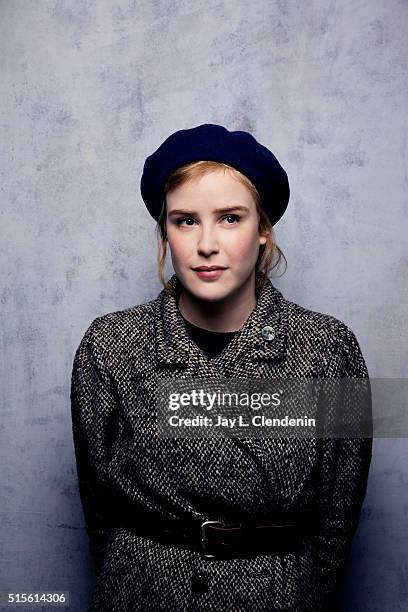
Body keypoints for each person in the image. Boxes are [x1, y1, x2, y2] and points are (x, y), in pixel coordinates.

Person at [70, 123, 373, 611]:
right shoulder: (110, 346)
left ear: (263, 232)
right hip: (142, 591)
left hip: (274, 596)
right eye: (185, 220)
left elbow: (337, 516)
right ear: (165, 233)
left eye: (230, 218)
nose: (206, 243)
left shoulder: (327, 350)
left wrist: (299, 596)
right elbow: (99, 508)